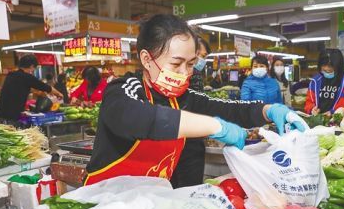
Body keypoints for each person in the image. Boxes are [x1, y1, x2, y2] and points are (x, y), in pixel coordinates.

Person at [84, 14, 306, 186]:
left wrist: (269, 110)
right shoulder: (123, 90)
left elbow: (228, 108)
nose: (184, 73)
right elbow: (136, 118)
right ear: (146, 59)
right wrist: (212, 125)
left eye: (190, 64)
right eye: (176, 63)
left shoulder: (182, 97)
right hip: (104, 207)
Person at [171, 37, 211, 188]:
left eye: (204, 56)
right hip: (186, 137)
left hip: (191, 135)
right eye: (198, 54)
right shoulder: (184, 75)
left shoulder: (196, 74)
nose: (201, 59)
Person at [0, 55, 62, 125]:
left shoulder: (11, 75)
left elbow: (17, 90)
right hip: (10, 119)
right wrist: (59, 94)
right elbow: (45, 87)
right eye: (34, 69)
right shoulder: (27, 77)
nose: (33, 71)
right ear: (31, 66)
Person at [305, 49, 344, 115]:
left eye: (330, 67)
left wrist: (337, 112)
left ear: (338, 66)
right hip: (319, 122)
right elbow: (309, 103)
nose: (326, 69)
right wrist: (312, 109)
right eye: (323, 67)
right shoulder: (315, 82)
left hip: (340, 122)